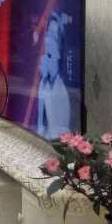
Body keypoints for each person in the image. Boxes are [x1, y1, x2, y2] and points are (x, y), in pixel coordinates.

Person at [36, 11, 72, 140]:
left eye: (54, 35)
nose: (49, 39)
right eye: (48, 33)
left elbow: (64, 132)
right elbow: (39, 125)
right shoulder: (43, 83)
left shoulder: (63, 89)